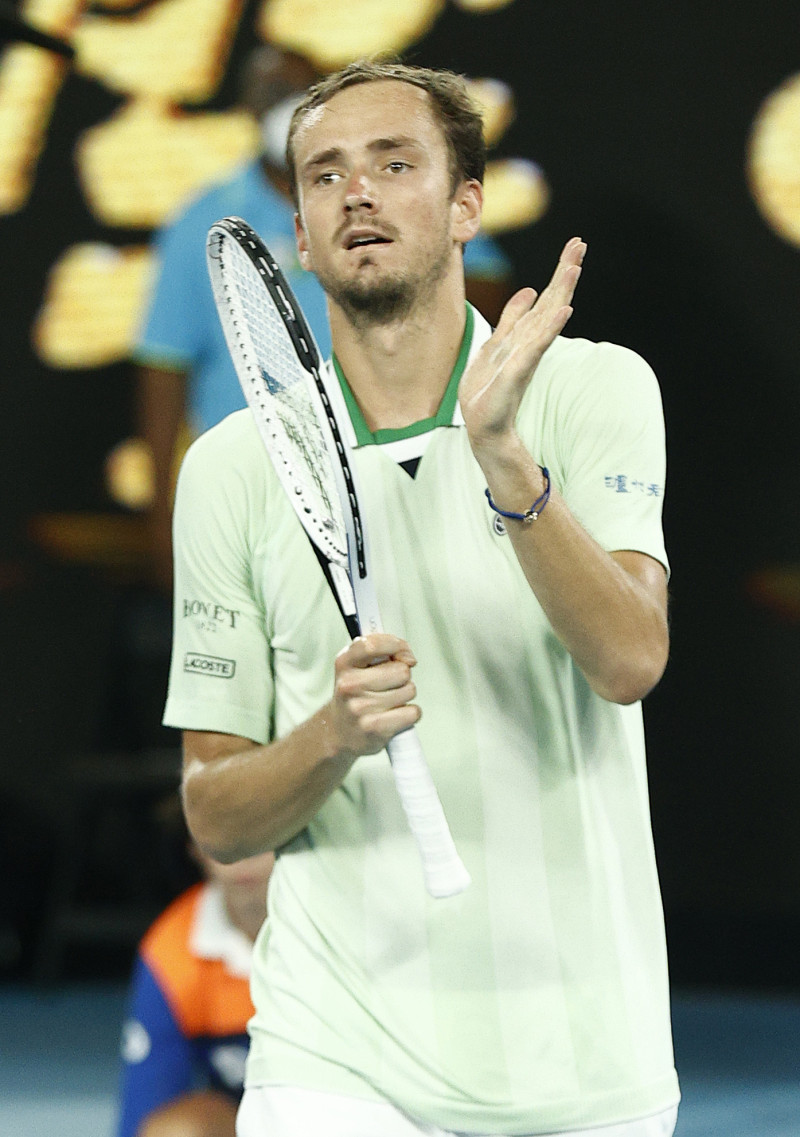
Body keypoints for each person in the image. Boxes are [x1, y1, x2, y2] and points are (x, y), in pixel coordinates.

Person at [165, 59, 679, 1137]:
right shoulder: (231, 467)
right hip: (334, 1052)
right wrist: (328, 737)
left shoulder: (593, 391)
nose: (358, 193)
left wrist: (505, 465)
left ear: (463, 208)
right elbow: (215, 811)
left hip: (582, 1057)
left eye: (394, 164)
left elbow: (629, 662)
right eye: (325, 176)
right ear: (299, 234)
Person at [134, 45, 514, 590]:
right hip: (260, 492)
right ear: (301, 239)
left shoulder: (384, 198)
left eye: (298, 91)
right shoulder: (201, 221)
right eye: (267, 95)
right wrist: (159, 523)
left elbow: (483, 285)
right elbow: (163, 367)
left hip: (396, 475)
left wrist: (401, 286)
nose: (281, 107)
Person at [116, 843, 275, 1137]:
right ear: (195, 845)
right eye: (226, 821)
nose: (245, 849)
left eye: (262, 829)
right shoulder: (171, 953)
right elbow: (142, 1121)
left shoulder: (347, 932)